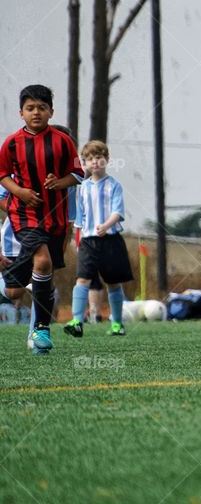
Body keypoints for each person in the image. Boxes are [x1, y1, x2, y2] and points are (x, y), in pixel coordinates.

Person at [0, 85, 84, 354]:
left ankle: (37, 333)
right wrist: (20, 193)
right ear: (21, 113)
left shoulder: (62, 142)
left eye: (42, 107)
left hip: (54, 223)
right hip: (22, 219)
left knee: (18, 289)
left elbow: (78, 177)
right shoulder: (12, 144)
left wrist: (60, 182)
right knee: (43, 262)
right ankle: (41, 329)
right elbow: (2, 180)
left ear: (51, 112)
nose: (36, 112)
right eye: (30, 108)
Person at [63, 140, 134, 338]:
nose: (94, 162)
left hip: (110, 240)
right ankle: (77, 321)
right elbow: (80, 218)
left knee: (113, 283)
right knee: (82, 278)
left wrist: (106, 226)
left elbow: (118, 212)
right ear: (84, 163)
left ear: (107, 160)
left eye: (99, 158)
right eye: (90, 159)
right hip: (88, 242)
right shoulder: (83, 187)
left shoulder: (114, 186)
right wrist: (78, 241)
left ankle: (117, 324)